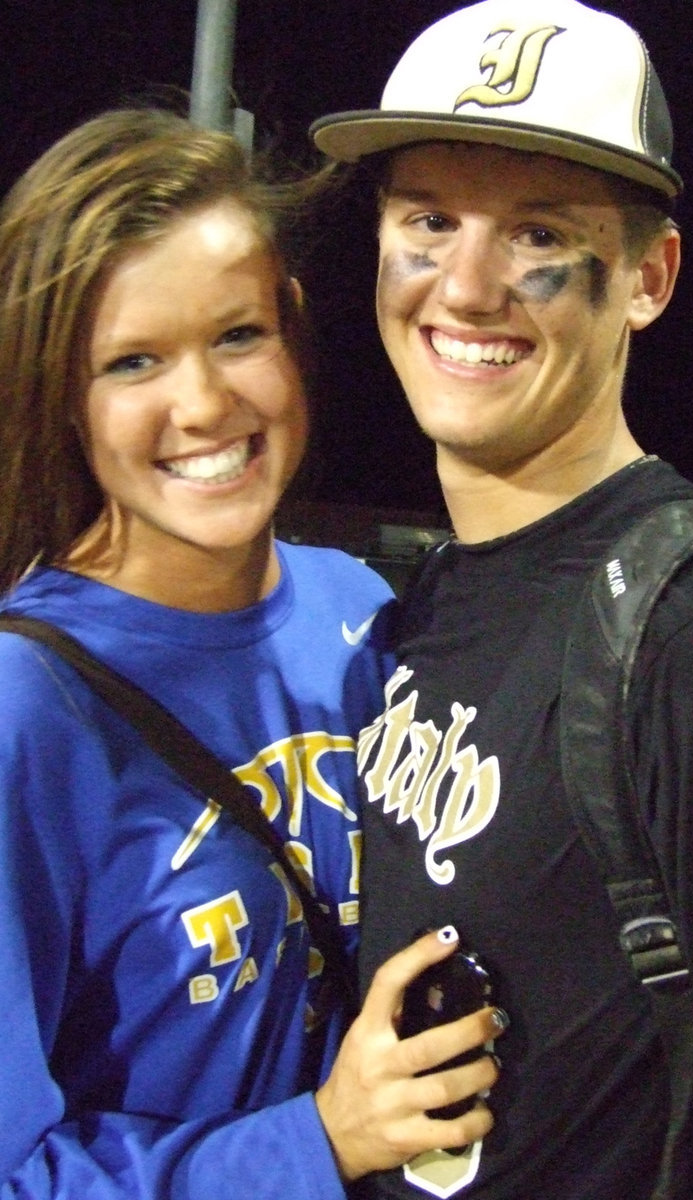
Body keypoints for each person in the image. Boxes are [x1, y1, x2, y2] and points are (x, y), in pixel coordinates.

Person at [309, 2, 693, 1197]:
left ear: (649, 276)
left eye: (535, 232)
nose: (466, 286)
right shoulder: (425, 607)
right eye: (428, 219)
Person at [0, 107, 506, 1199]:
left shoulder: (360, 614)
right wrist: (317, 1143)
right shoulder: (24, 709)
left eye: (238, 336)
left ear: (294, 329)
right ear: (63, 395)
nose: (204, 404)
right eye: (133, 360)